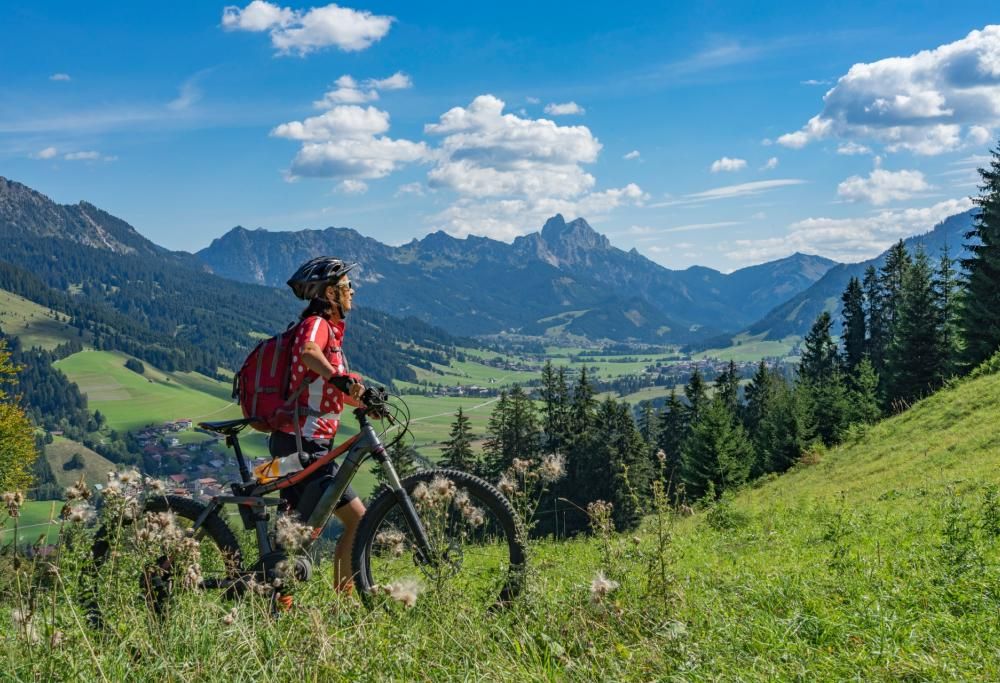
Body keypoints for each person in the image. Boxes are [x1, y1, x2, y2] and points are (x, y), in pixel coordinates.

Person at [272, 256, 367, 591]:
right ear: (329, 294)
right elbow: (308, 352)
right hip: (301, 445)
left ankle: (283, 604)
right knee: (348, 522)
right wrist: (337, 377)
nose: (352, 291)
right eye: (345, 286)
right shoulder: (317, 324)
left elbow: (330, 389)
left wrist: (365, 400)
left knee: (295, 535)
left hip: (312, 446)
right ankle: (341, 602)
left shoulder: (333, 334)